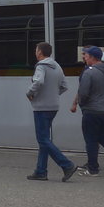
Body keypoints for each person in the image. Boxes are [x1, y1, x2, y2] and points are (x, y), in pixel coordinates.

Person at [69, 46, 104, 176]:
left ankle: (93, 168)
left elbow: (83, 93)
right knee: (102, 136)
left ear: (93, 57)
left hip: (92, 111)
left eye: (86, 56)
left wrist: (81, 105)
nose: (84, 58)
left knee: (91, 140)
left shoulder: (89, 72)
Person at [25, 42, 78, 181]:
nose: (35, 52)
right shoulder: (57, 66)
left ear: (40, 52)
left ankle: (67, 165)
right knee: (45, 140)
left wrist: (30, 93)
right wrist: (53, 94)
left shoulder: (41, 66)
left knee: (42, 139)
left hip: (41, 107)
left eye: (36, 50)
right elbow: (64, 86)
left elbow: (38, 82)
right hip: (53, 106)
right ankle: (41, 171)